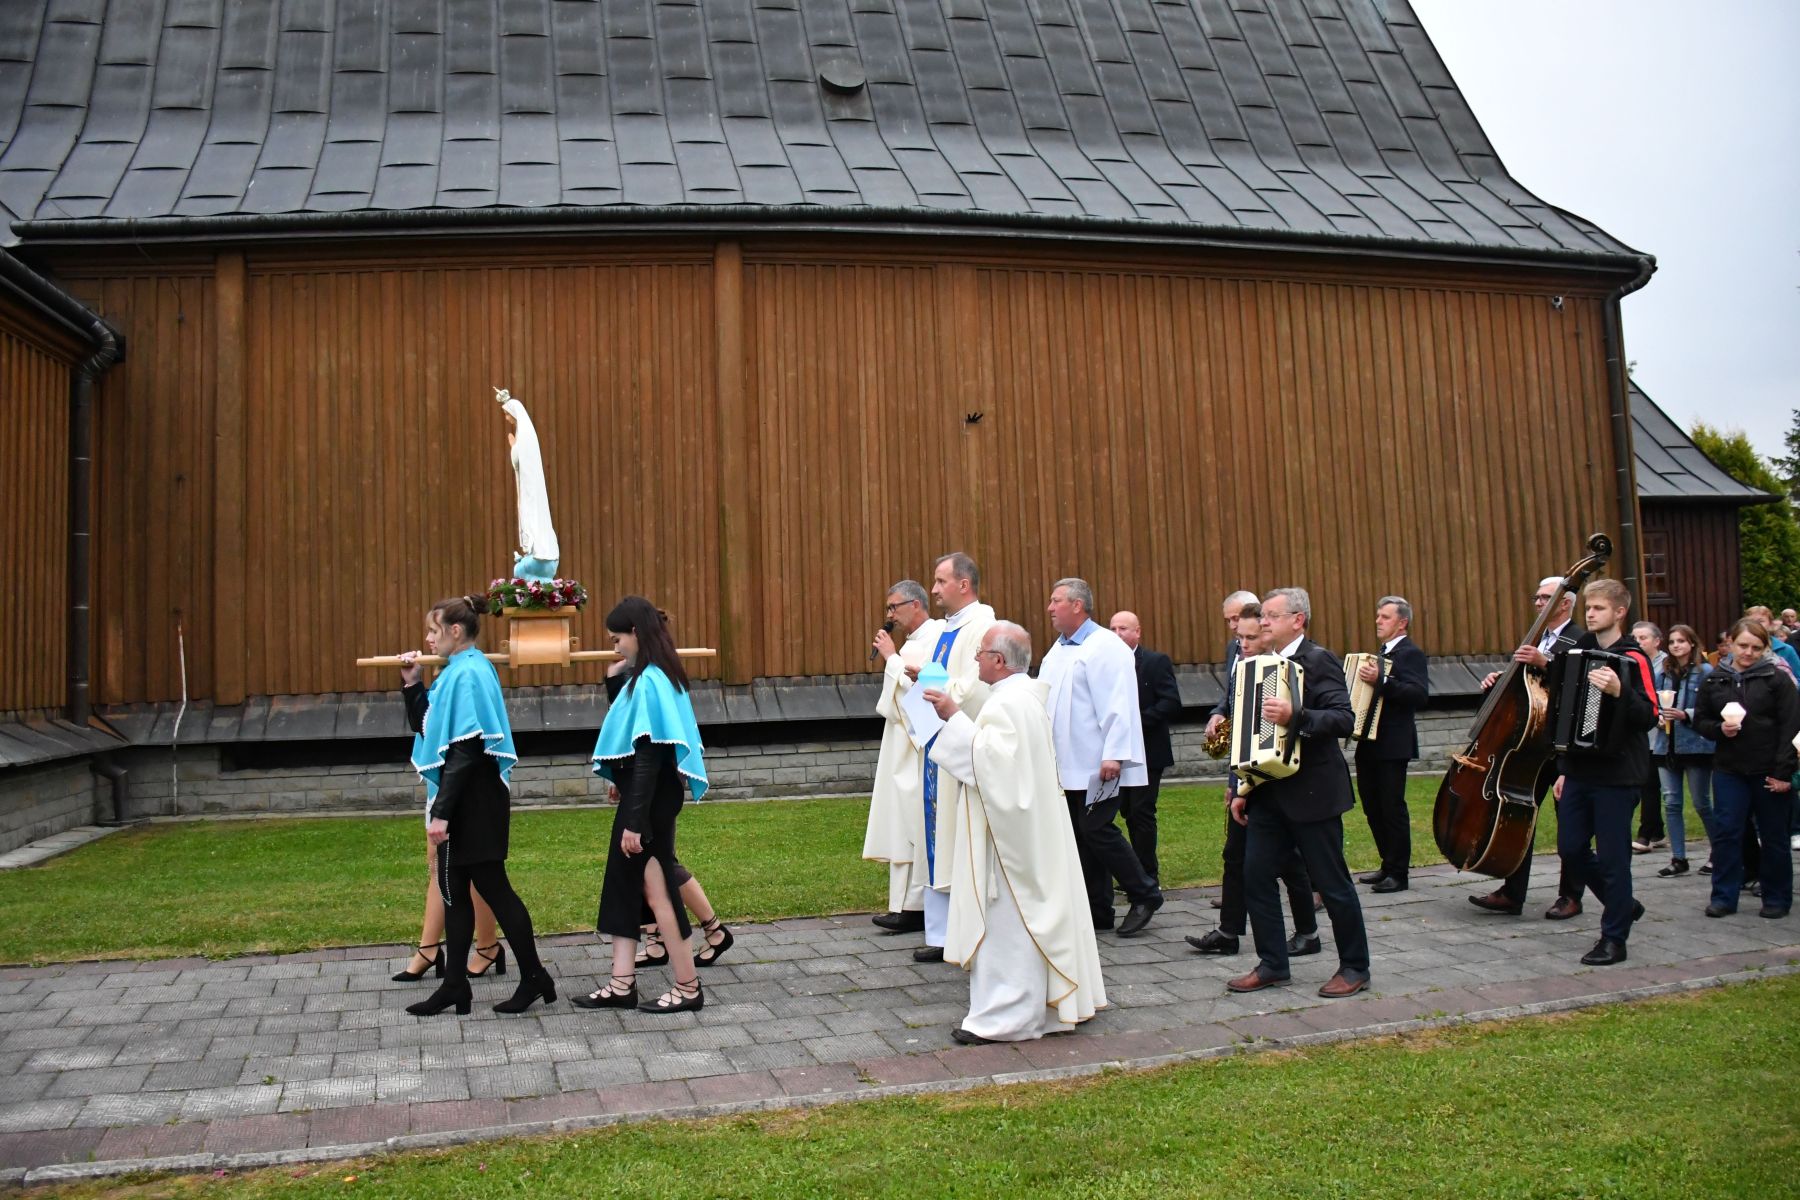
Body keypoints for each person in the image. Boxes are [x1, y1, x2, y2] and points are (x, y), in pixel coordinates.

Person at [923, 622, 1107, 1043]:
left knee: (1010, 921)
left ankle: (1007, 1017)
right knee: (1031, 918)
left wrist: (953, 718)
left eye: (981, 652)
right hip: (1029, 829)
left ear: (999, 660)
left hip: (1010, 842)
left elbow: (995, 767)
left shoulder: (1008, 704)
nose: (975, 658)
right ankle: (1042, 1008)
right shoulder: (1023, 698)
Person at [401, 597, 555, 1017]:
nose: (427, 639)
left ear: (455, 631)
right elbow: (429, 726)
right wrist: (412, 684)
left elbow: (466, 749)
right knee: (454, 892)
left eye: (433, 631)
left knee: (495, 890)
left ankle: (535, 976)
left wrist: (441, 813)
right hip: (469, 798)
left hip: (475, 802)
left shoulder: (468, 672)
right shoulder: (458, 670)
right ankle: (455, 985)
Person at [1226, 588, 1371, 999]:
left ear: (1298, 620)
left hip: (1313, 792)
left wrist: (1297, 715)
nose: (1263, 621)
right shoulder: (1260, 664)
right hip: (1268, 792)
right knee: (1255, 876)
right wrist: (1245, 785)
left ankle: (1355, 967)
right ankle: (1272, 963)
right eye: (1263, 615)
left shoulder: (1318, 660)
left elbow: (1343, 719)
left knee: (1331, 882)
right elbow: (1254, 735)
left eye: (1272, 615)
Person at [576, 597, 711, 1014]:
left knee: (659, 892)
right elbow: (633, 734)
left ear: (635, 632)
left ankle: (688, 987)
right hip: (647, 796)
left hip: (648, 803)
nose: (615, 646)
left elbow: (649, 754)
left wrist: (634, 821)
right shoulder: (654, 675)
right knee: (624, 885)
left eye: (617, 638)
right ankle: (621, 984)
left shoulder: (652, 679)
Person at [1185, 599, 1319, 958]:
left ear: (1267, 633)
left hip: (1276, 774)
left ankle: (1307, 931)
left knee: (1288, 860)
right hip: (1245, 772)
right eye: (1238, 636)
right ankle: (1229, 931)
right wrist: (1218, 714)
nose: (1241, 643)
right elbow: (1231, 699)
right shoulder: (1239, 656)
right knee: (1235, 854)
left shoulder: (1283, 667)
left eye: (1249, 637)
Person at [1040, 578, 1163, 937]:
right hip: (1068, 763)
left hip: (1099, 763)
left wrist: (1114, 754)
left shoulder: (1104, 646)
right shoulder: (1059, 649)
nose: (1050, 608)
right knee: (1081, 834)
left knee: (1097, 828)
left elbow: (1118, 705)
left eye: (1056, 601)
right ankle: (1097, 910)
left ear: (1077, 605)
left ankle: (1145, 892)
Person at [1551, 579, 1658, 966]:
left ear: (1619, 612)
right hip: (1580, 771)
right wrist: (1564, 769)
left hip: (1618, 774)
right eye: (1589, 607)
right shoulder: (1580, 652)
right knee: (1571, 849)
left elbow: (1650, 715)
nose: (1591, 614)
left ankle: (1614, 938)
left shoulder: (1634, 658)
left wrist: (1619, 692)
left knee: (1614, 860)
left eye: (1599, 608)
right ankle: (1623, 904)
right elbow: (1569, 714)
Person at [1469, 577, 1590, 919]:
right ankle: (1513, 891)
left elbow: (1579, 689)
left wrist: (1545, 663)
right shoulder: (1536, 636)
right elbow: (1529, 686)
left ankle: (1571, 895)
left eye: (1545, 597)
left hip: (1561, 746)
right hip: (1530, 742)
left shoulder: (1580, 639)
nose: (1538, 603)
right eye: (1536, 597)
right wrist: (1500, 679)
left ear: (1565, 603)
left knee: (1570, 824)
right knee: (1519, 816)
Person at [909, 553, 997, 963]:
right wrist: (923, 680)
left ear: (964, 584)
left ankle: (962, 931)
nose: (934, 589)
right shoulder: (946, 628)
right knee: (937, 838)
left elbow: (976, 686)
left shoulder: (982, 625)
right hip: (937, 744)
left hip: (960, 746)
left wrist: (936, 689)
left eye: (941, 581)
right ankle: (940, 933)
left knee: (955, 837)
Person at [1692, 619, 1798, 920]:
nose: (1748, 652)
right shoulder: (1715, 679)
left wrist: (1783, 772)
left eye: (1756, 647)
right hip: (1729, 768)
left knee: (1774, 835)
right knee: (1727, 832)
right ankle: (1724, 896)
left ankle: (1777, 897)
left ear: (1765, 648)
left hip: (1768, 768)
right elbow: (1700, 720)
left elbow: (1791, 726)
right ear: (1731, 644)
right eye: (1743, 646)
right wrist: (1719, 729)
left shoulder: (1777, 679)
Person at [865, 579, 939, 933]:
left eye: (894, 607)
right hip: (899, 744)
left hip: (918, 747)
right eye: (888, 609)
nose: (890, 614)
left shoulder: (936, 639)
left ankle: (916, 907)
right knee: (901, 822)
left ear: (916, 604)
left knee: (915, 823)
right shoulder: (912, 643)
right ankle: (901, 904)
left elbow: (926, 693)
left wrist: (892, 658)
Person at [1352, 596, 1430, 893]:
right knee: (1372, 807)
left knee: (1391, 808)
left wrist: (1382, 681)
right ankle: (1387, 863)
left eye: (1385, 617)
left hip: (1393, 743)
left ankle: (1399, 873)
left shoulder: (1410, 653)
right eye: (1378, 615)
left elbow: (1418, 694)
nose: (1378, 621)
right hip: (1370, 741)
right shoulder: (1381, 654)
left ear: (1402, 623)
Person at [1108, 610, 1182, 886]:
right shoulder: (1106, 664)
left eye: (1123, 629)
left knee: (1141, 813)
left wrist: (1136, 722)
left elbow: (1171, 702)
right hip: (1117, 752)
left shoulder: (1154, 662)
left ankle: (1148, 876)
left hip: (1149, 752)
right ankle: (1132, 873)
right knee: (1124, 812)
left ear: (1137, 632)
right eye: (1113, 629)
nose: (1117, 634)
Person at [1651, 624, 1715, 877]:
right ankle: (1678, 857)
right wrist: (1658, 716)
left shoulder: (1705, 671)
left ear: (1692, 643)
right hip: (1666, 745)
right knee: (1671, 802)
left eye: (1681, 641)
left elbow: (1712, 707)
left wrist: (1685, 714)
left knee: (1701, 803)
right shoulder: (1665, 673)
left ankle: (1719, 852)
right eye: (1672, 641)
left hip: (1696, 745)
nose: (1676, 645)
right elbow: (1654, 702)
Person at [1629, 622, 1669, 854]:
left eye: (1643, 638)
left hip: (1662, 733)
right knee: (1648, 782)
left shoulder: (1665, 665)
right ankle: (1657, 832)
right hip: (1643, 733)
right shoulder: (1632, 662)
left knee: (1651, 784)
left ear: (1657, 641)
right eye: (1635, 637)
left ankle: (1645, 834)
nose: (1638, 642)